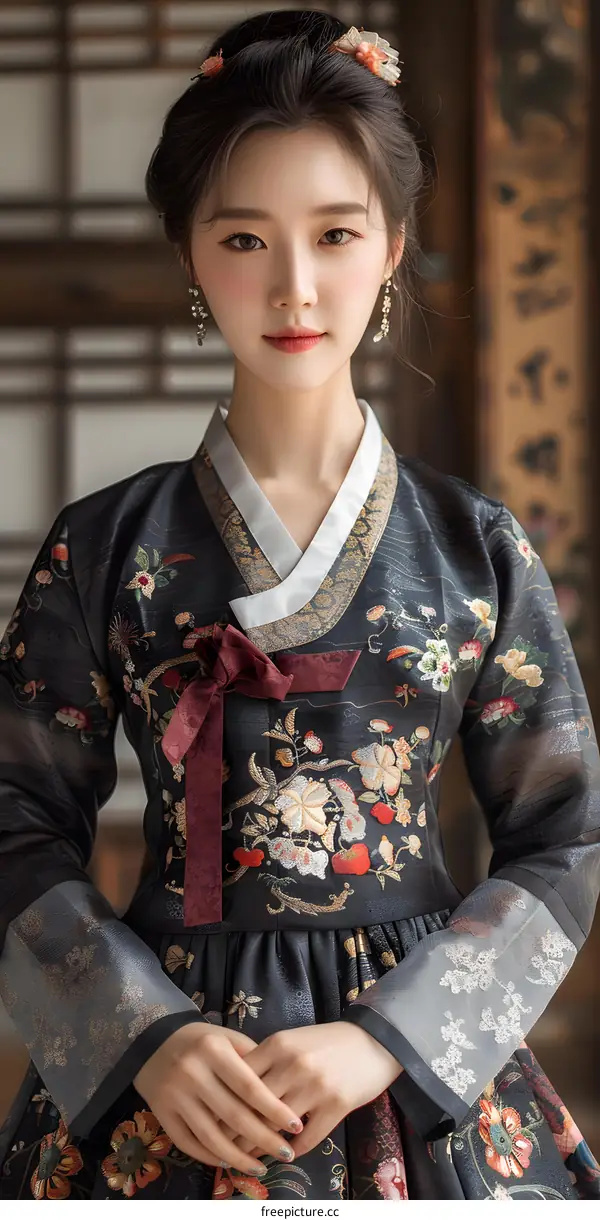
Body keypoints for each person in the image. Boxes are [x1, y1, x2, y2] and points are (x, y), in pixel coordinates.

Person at [0, 7, 599, 1202]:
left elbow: (563, 834)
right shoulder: (107, 544)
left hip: (418, 1069)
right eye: (243, 238)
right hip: (172, 1071)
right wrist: (146, 1037)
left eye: (334, 233)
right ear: (187, 252)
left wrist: (388, 1035)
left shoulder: (470, 544)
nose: (294, 286)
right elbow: (13, 815)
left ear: (391, 245)